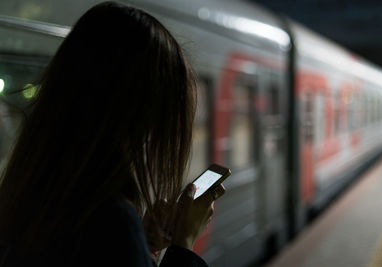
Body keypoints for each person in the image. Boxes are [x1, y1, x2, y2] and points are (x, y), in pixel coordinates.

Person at [0, 2, 225, 266]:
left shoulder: (32, 188)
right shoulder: (111, 218)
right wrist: (184, 243)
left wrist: (143, 243)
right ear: (140, 114)